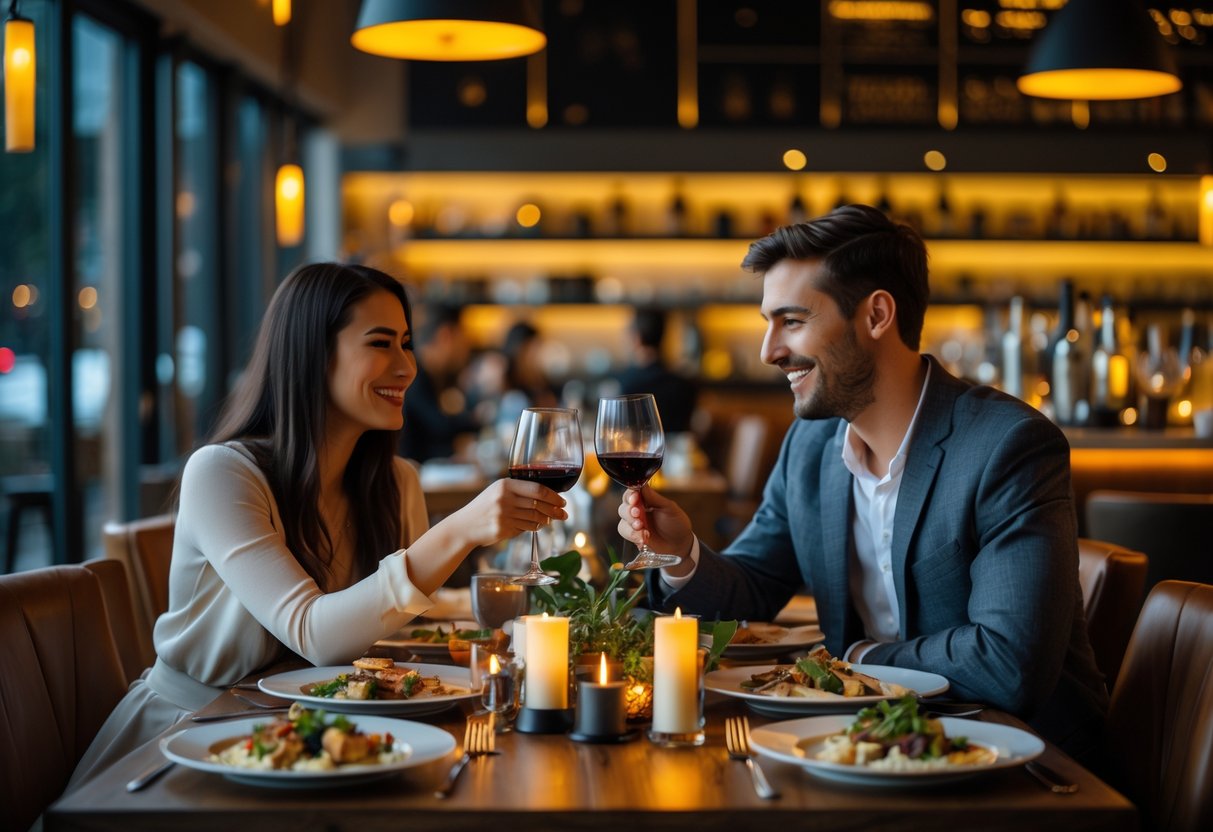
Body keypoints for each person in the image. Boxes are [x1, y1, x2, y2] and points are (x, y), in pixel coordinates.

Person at [616, 205, 1108, 760]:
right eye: (768, 322)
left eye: (792, 321)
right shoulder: (811, 448)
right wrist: (682, 556)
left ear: (876, 315)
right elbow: (754, 585)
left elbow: (1006, 661)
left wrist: (855, 659)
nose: (769, 351)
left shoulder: (1007, 446)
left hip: (1028, 769)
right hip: (865, 748)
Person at [70, 263, 565, 787]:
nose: (406, 367)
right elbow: (314, 634)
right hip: (187, 741)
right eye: (380, 344)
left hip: (316, 736)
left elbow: (395, 619)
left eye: (406, 343)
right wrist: (460, 530)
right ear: (312, 354)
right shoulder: (223, 472)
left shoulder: (395, 481)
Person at [399, 302, 480, 463]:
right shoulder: (415, 375)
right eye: (463, 337)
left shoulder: (434, 376)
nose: (466, 348)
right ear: (446, 336)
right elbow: (439, 425)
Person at [616, 307, 698, 433]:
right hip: (677, 452)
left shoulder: (624, 384)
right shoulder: (684, 386)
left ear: (637, 338)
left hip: (635, 451)